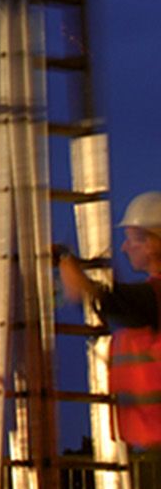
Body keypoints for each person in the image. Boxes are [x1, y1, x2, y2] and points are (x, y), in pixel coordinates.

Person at [57, 191, 161, 447]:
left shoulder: (153, 297)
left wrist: (65, 260)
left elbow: (112, 301)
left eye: (131, 239)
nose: (124, 247)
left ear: (151, 243)